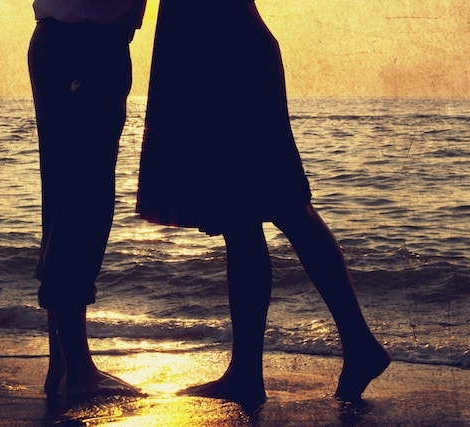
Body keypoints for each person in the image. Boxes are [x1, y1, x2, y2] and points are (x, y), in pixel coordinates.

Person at [136, 0, 390, 405]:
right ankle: (327, 353)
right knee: (264, 212)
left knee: (270, 209)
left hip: (224, 58)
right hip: (221, 54)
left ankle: (265, 371)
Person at [28, 0, 148, 397]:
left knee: (64, 199)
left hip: (58, 37)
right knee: (85, 201)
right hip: (92, 43)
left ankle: (61, 363)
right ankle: (77, 369)